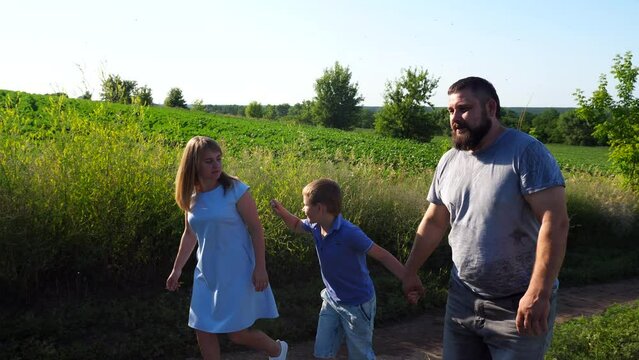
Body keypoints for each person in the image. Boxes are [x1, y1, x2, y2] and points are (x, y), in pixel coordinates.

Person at [402, 77, 570, 360]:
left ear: (491, 108)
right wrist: (410, 270)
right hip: (462, 300)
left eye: (464, 109)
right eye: (450, 111)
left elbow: (555, 222)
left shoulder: (526, 153)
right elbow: (434, 221)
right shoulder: (449, 160)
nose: (455, 118)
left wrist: (538, 294)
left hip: (517, 305)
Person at [166, 136, 287, 360]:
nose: (217, 165)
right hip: (207, 273)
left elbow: (256, 229)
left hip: (237, 271)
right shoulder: (190, 197)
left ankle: (277, 350)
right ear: (194, 164)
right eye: (209, 161)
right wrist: (177, 269)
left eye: (219, 159)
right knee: (202, 328)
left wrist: (261, 268)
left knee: (237, 334)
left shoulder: (235, 190)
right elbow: (190, 233)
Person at [270, 178, 406, 360]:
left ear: (320, 208)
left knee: (360, 355)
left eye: (305, 205)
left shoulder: (350, 233)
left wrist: (408, 278)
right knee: (322, 353)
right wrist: (283, 213)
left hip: (357, 304)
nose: (303, 209)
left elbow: (382, 255)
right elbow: (296, 225)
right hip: (332, 299)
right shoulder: (316, 226)